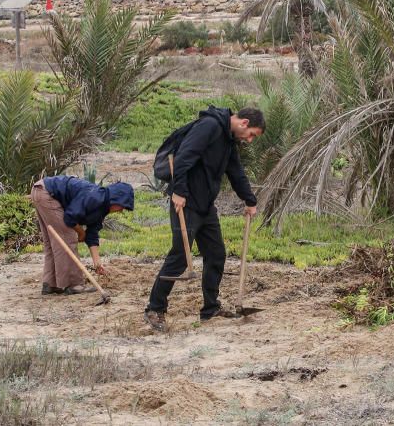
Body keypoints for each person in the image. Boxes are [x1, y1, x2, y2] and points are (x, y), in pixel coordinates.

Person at [144, 106, 264, 331]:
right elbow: (184, 156)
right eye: (252, 135)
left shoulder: (228, 141)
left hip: (205, 207)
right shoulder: (209, 126)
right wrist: (178, 191)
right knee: (180, 256)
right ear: (244, 123)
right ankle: (155, 308)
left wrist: (250, 200)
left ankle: (210, 309)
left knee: (216, 254)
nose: (249, 140)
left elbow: (236, 172)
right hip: (186, 202)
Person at [30, 176, 134, 295]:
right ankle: (73, 285)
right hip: (46, 193)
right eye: (123, 206)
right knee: (67, 238)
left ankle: (50, 284)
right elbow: (70, 218)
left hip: (40, 191)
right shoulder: (94, 197)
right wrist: (81, 232)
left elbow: (92, 233)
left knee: (55, 242)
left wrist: (97, 262)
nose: (121, 210)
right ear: (116, 198)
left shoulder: (101, 205)